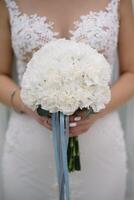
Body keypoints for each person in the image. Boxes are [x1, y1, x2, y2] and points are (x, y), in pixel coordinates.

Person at [0, 0, 134, 199]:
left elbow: (131, 72)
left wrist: (97, 108)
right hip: (30, 149)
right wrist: (27, 103)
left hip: (99, 149)